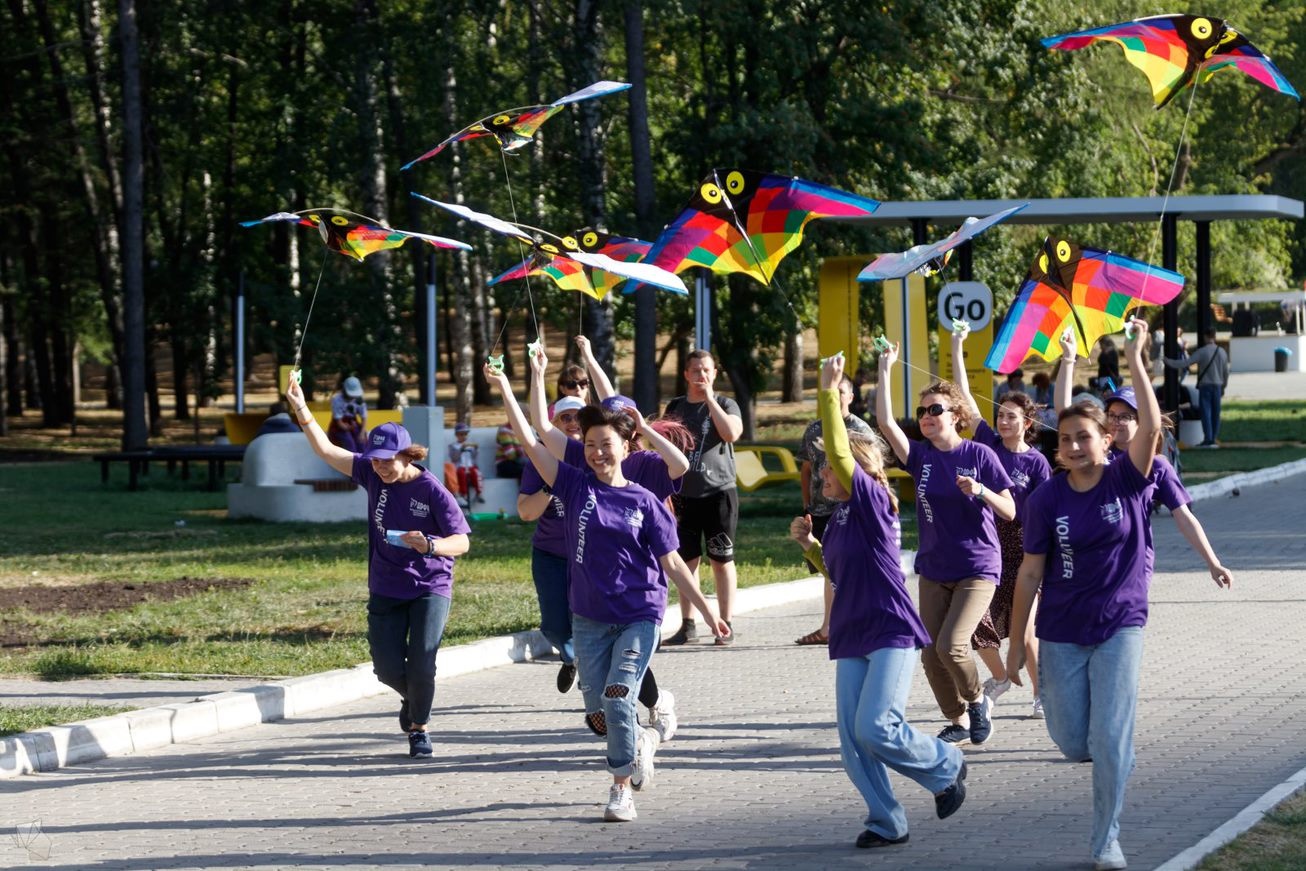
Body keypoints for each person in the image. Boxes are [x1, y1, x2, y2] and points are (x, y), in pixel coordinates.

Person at [1007, 317, 1231, 871]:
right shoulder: (1045, 500)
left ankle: (1106, 838)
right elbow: (1029, 575)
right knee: (1071, 741)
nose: (1076, 445)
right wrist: (1016, 644)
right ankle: (1113, 752)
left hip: (1120, 623)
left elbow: (1152, 427)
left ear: (1108, 439)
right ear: (1056, 449)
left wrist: (1135, 355)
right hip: (1060, 631)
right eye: (1066, 439)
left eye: (1086, 436)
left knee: (1107, 739)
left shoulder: (1130, 477)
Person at [487, 358, 729, 823]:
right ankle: (641, 740)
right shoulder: (574, 485)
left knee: (618, 696)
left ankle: (621, 788)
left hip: (639, 615)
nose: (598, 452)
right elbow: (530, 436)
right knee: (600, 709)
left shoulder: (645, 500)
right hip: (589, 619)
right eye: (591, 444)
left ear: (625, 447)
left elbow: (673, 563)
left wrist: (705, 610)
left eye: (607, 444)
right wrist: (506, 385)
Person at [789, 353, 969, 849]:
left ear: (856, 468)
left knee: (876, 726)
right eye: (824, 467)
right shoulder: (843, 516)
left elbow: (843, 456)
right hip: (852, 633)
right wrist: (811, 550)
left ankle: (945, 763)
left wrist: (828, 391)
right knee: (853, 744)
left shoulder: (870, 499)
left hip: (889, 630)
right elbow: (841, 575)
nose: (823, 473)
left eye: (831, 466)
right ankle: (887, 821)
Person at [284, 377, 470, 759]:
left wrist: (432, 544)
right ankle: (414, 698)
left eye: (388, 461)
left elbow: (462, 541)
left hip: (429, 586)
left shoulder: (433, 490)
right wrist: (301, 407)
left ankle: (419, 728)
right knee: (385, 669)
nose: (381, 467)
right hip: (385, 584)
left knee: (422, 662)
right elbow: (326, 450)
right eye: (376, 461)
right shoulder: (370, 474)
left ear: (408, 455)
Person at [535, 343, 690, 740]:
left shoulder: (646, 465)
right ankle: (631, 732)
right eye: (594, 439)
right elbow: (543, 428)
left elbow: (681, 465)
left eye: (620, 423)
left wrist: (647, 428)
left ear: (628, 432)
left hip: (636, 579)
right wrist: (579, 359)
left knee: (626, 673)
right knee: (610, 681)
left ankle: (647, 720)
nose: (599, 448)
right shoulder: (587, 458)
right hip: (593, 582)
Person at [875, 342, 1015, 746]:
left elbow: (1008, 510)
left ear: (956, 416)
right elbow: (885, 422)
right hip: (934, 568)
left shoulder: (980, 454)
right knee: (930, 653)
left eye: (935, 410)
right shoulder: (919, 456)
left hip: (977, 566)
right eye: (922, 412)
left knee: (952, 645)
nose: (926, 417)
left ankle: (976, 701)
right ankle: (957, 719)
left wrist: (981, 490)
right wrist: (885, 368)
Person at [1056, 332, 1234, 587]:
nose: (1115, 421)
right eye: (1112, 415)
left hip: (1131, 565)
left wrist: (1212, 561)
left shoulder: (1157, 465)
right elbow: (1065, 413)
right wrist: (1068, 359)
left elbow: (1183, 516)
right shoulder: (1097, 453)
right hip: (1086, 555)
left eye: (1124, 416)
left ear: (1142, 423)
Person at [951, 327, 1053, 718]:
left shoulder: (1037, 462)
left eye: (1011, 417)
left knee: (1024, 629)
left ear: (1027, 422)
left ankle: (1041, 693)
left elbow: (1045, 509)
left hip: (1026, 547)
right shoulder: (989, 444)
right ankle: (1001, 679)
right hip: (989, 546)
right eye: (1000, 416)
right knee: (978, 624)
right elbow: (965, 397)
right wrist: (959, 345)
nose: (1003, 422)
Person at [662, 350, 744, 646]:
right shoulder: (675, 407)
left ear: (714, 373)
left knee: (721, 560)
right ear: (686, 374)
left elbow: (732, 433)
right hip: (683, 494)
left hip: (718, 492)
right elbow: (663, 444)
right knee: (686, 561)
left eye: (707, 370)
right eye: (695, 370)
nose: (701, 375)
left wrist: (709, 399)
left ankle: (726, 622)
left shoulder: (725, 403)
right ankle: (688, 624)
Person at [793, 373, 873, 646]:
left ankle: (840, 626)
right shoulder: (814, 429)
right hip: (820, 509)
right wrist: (807, 505)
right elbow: (806, 469)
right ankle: (829, 626)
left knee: (843, 566)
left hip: (851, 511)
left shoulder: (861, 430)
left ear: (850, 397)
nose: (836, 396)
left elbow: (872, 473)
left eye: (841, 391)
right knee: (827, 567)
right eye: (831, 391)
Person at [517, 395, 586, 693]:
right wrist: (551, 483)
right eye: (564, 418)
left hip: (589, 557)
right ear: (553, 424)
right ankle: (572, 658)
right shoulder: (539, 458)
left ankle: (590, 672)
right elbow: (525, 512)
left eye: (577, 417)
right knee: (555, 627)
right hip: (550, 555)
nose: (572, 423)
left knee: (587, 622)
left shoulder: (592, 456)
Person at [1163, 331, 1229, 448]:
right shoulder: (1222, 352)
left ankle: (1208, 439)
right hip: (1218, 385)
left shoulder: (1202, 352)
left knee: (1206, 412)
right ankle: (1214, 438)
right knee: (1216, 413)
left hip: (1205, 386)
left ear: (1205, 336)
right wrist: (1224, 386)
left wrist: (1168, 361)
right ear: (1214, 336)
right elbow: (1225, 372)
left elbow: (1185, 363)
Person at [327, 375, 368, 452]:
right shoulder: (337, 399)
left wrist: (362, 432)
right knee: (349, 444)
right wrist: (347, 427)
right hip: (340, 426)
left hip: (353, 423)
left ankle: (364, 461)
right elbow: (338, 421)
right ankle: (352, 461)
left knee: (362, 443)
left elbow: (364, 417)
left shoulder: (359, 400)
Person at [447, 422, 484, 505]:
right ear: (457, 435)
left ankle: (479, 493)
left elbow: (474, 457)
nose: (464, 436)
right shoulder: (453, 446)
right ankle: (463, 494)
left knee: (476, 472)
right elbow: (454, 458)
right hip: (459, 467)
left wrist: (476, 449)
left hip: (470, 466)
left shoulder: (470, 445)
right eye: (461, 434)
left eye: (465, 434)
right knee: (461, 474)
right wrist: (460, 449)